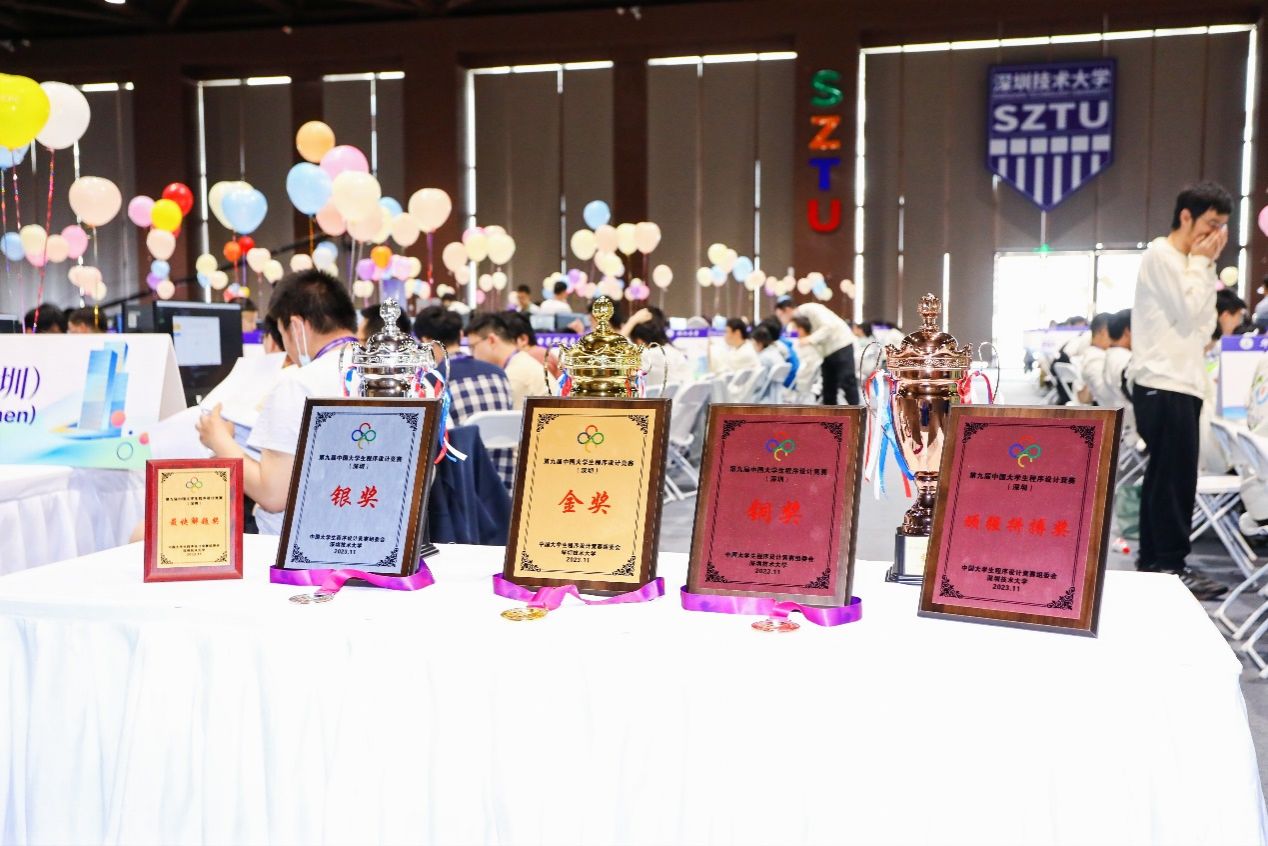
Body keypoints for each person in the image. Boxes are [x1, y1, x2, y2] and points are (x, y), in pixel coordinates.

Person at [1128, 180, 1232, 599]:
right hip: (1162, 382)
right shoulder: (1162, 255)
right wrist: (1203, 264)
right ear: (1186, 216)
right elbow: (1190, 314)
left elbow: (1205, 329)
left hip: (1181, 382)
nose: (1216, 236)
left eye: (1222, 227)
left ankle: (1155, 562)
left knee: (1166, 477)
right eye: (1211, 224)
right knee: (1174, 480)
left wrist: (1202, 267)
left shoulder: (1192, 265)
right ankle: (1170, 564)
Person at [195, 269, 358, 535]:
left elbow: (272, 494)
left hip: (296, 541)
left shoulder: (298, 384)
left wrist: (218, 440)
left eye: (282, 333)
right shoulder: (396, 373)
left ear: (296, 326)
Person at [415, 306, 516, 488]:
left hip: (464, 488)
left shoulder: (433, 382)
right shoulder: (499, 373)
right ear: (461, 334)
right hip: (506, 486)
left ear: (425, 341)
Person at [466, 312, 545, 410]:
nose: (473, 355)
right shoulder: (521, 361)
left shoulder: (514, 376)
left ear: (491, 340)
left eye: (473, 347)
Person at [792, 300, 859, 405]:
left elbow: (829, 326)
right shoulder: (802, 319)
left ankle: (856, 412)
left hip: (841, 345)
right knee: (828, 387)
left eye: (797, 330)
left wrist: (809, 339)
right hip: (827, 353)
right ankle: (830, 414)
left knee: (847, 381)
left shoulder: (810, 309)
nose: (797, 333)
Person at [630, 319, 690, 389]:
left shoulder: (646, 355)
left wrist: (633, 320)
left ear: (638, 340)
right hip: (678, 394)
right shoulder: (673, 351)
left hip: (660, 395)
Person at [1075, 312, 1113, 404]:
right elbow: (1084, 399)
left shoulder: (1088, 354)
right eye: (1114, 333)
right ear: (1104, 332)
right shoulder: (1097, 358)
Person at [789, 315, 823, 399]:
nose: (791, 331)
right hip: (809, 385)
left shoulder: (800, 347)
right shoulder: (816, 346)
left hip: (799, 385)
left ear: (801, 330)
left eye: (793, 328)